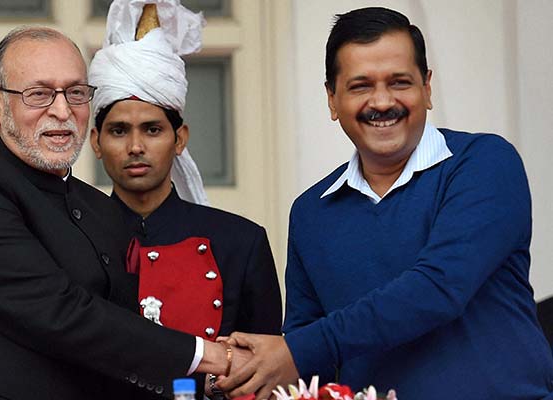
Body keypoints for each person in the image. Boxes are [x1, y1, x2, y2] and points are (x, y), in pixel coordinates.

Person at [218, 7, 553, 400]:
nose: (382, 101)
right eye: (360, 85)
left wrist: (297, 349)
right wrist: (233, 369)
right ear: (332, 99)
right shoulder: (312, 211)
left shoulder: (483, 162)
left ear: (427, 88)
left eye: (400, 82)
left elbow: (437, 288)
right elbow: (309, 357)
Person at [0, 25, 248, 400]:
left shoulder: (101, 211)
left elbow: (116, 347)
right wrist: (210, 355)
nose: (63, 110)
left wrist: (206, 383)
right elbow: (61, 312)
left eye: (76, 93)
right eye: (39, 94)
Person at [88, 1, 282, 398]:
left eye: (153, 129)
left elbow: (263, 377)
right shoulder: (72, 237)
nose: (136, 146)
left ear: (180, 139)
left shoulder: (240, 243)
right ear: (95, 142)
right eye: (119, 130)